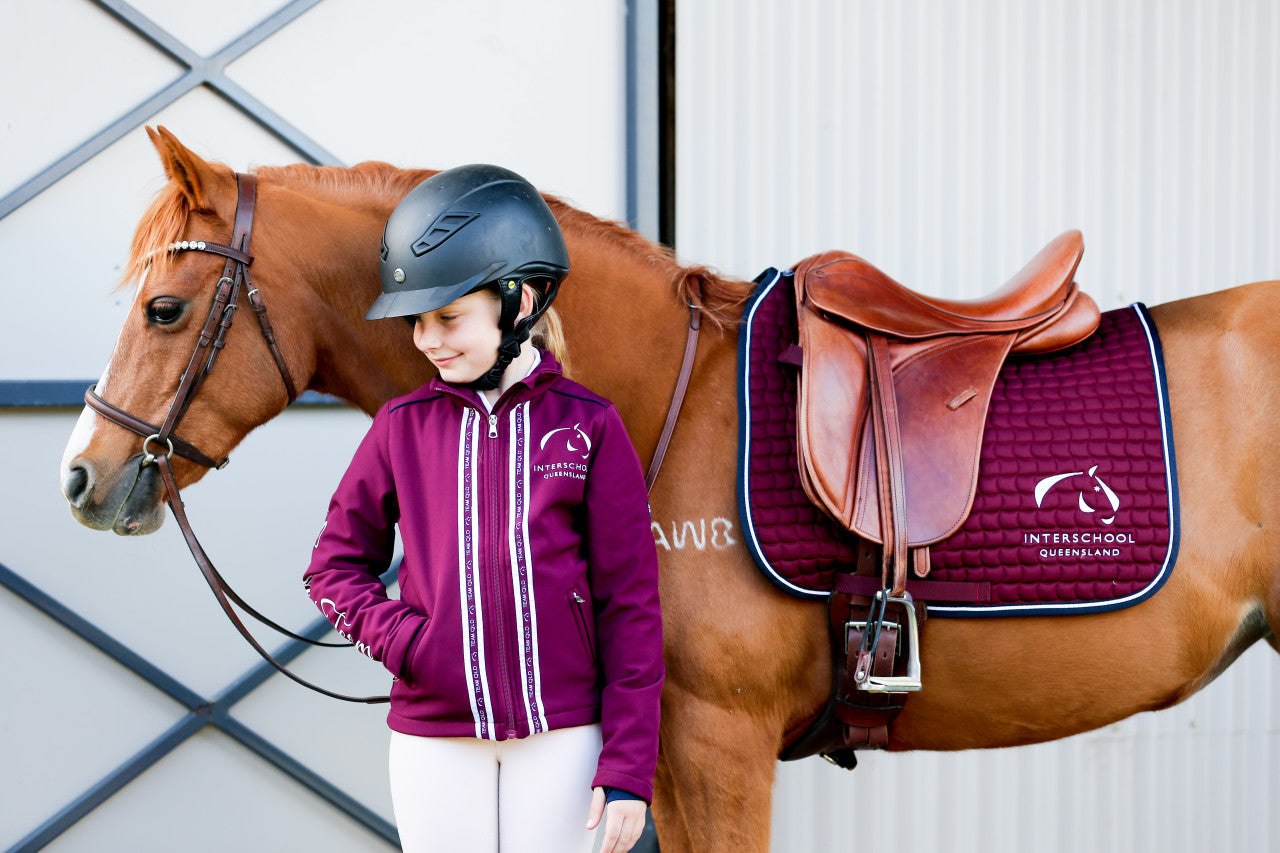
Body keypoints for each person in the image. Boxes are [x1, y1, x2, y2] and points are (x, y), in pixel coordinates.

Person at [303, 165, 664, 853]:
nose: (428, 340)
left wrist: (627, 770)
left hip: (561, 735)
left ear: (519, 299)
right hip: (435, 740)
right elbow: (333, 568)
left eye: (448, 317)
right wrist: (408, 642)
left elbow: (632, 605)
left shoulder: (589, 426)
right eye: (417, 322)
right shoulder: (399, 427)